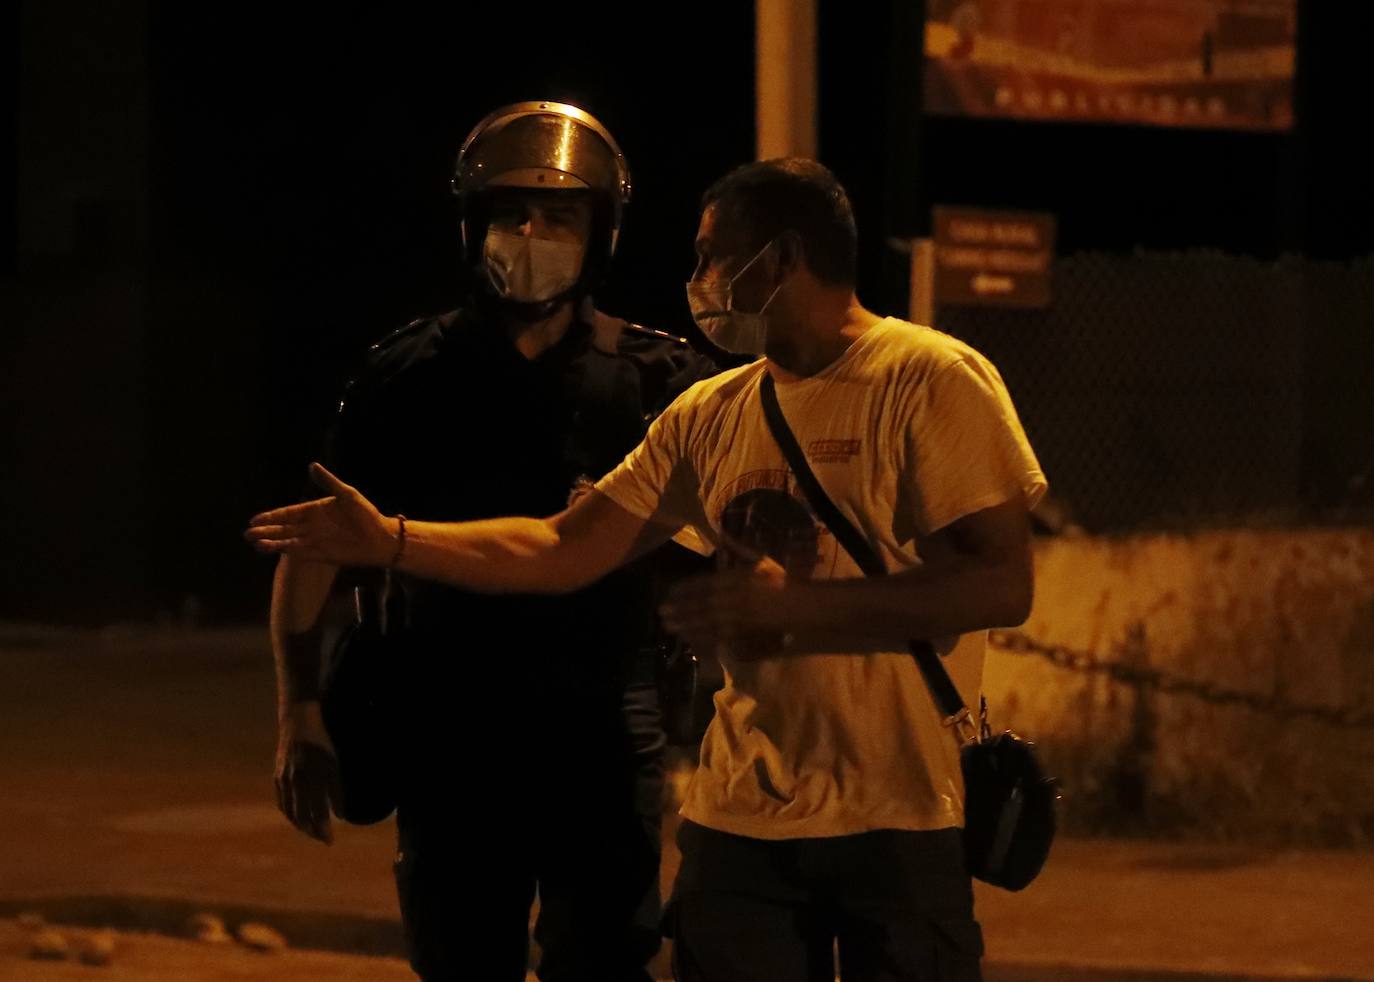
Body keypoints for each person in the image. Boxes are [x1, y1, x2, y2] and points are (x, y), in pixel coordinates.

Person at [251, 157, 1047, 981]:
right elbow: (563, 547)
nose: (696, 281)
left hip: (902, 817)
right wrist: (392, 539)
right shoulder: (711, 412)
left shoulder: (930, 379)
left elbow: (1000, 585)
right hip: (740, 829)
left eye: (710, 257)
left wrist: (800, 608)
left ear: (777, 260)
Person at [266, 101, 716, 981]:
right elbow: (316, 543)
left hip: (601, 720)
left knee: (604, 958)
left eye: (559, 214)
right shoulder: (405, 376)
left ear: (602, 234)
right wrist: (297, 710)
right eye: (510, 212)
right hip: (447, 721)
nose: (531, 231)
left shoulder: (658, 379)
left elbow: (725, 543)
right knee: (459, 955)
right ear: (473, 228)